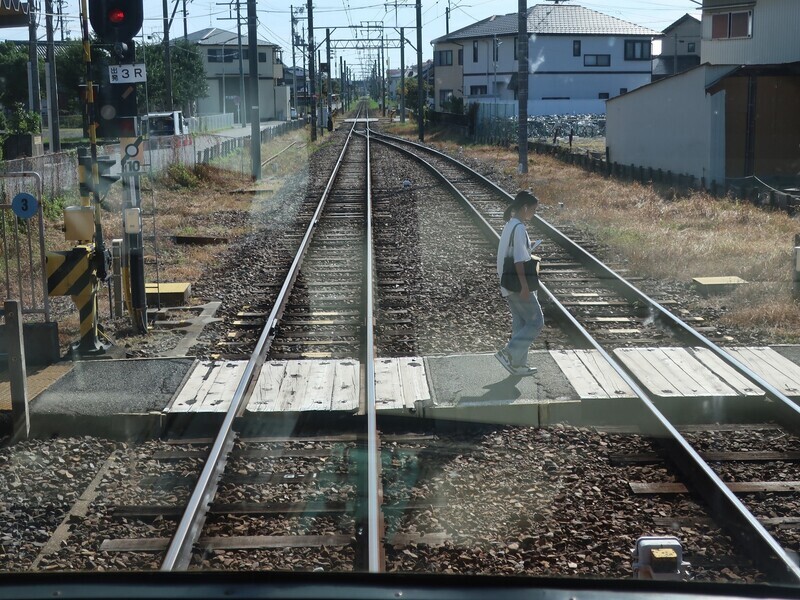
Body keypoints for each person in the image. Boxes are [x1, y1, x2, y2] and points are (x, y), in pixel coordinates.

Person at [495, 191, 544, 377]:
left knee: (521, 323)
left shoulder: (510, 224)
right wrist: (524, 286)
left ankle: (517, 365)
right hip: (517, 283)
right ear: (525, 208)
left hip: (507, 281)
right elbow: (518, 261)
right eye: (533, 210)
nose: (534, 213)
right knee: (536, 322)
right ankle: (508, 353)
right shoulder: (520, 228)